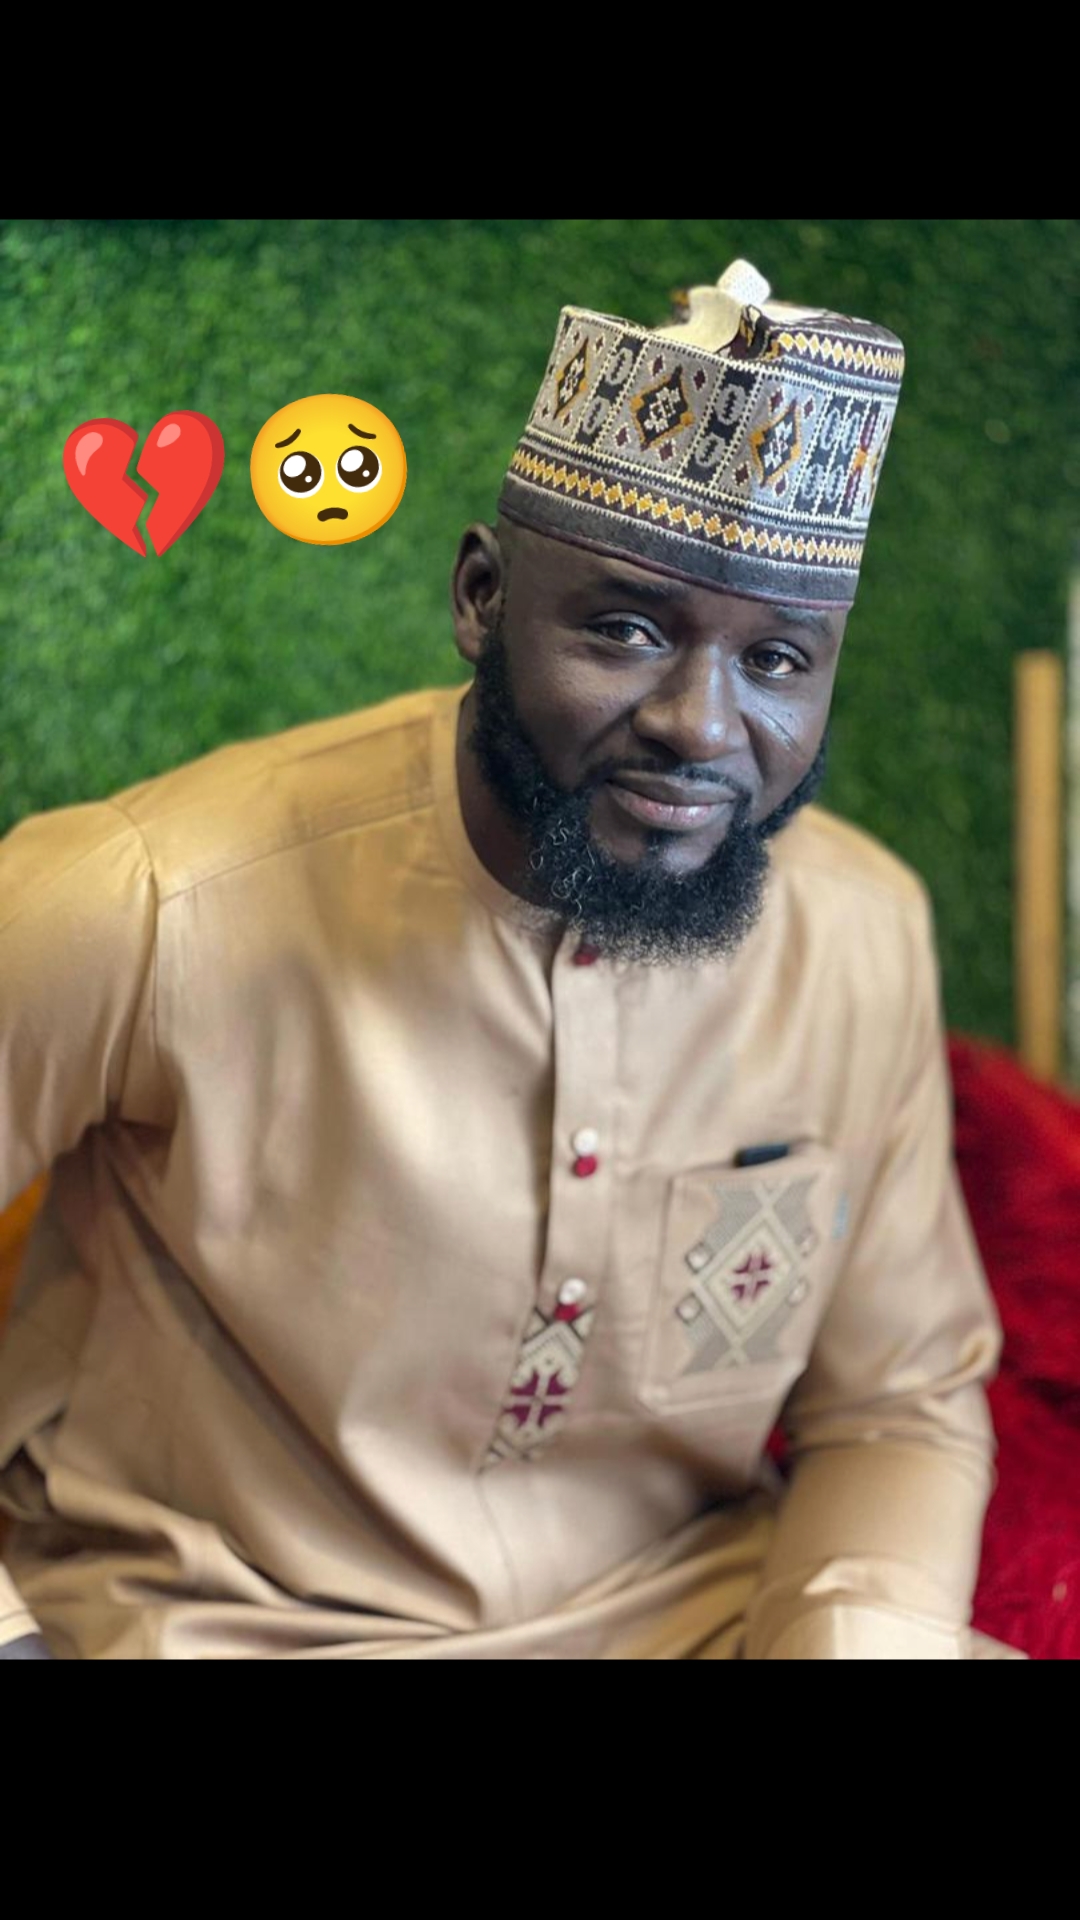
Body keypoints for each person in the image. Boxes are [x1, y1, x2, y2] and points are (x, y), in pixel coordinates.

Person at [0, 259, 1022, 1659]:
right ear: (482, 597)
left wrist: (853, 1640)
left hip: (700, 1626)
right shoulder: (145, 899)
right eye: (627, 629)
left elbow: (898, 1404)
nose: (701, 725)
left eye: (779, 660)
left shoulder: (863, 936)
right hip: (217, 1625)